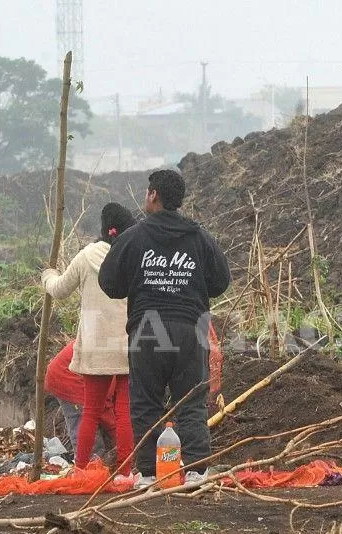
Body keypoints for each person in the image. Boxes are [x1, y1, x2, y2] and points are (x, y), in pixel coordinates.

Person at [99, 169, 231, 484]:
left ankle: (147, 475)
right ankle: (198, 471)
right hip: (189, 329)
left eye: (147, 191)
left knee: (146, 402)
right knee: (191, 400)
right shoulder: (200, 237)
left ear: (153, 194)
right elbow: (220, 282)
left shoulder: (133, 237)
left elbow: (110, 283)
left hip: (147, 331)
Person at [42, 203, 138, 473]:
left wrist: (48, 276)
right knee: (124, 413)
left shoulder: (86, 256)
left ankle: (82, 470)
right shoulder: (134, 257)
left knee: (91, 411)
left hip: (95, 348)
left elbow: (59, 290)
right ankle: (125, 472)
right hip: (127, 346)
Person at [44, 339, 118, 458]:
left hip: (75, 373)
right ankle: (89, 470)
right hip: (67, 377)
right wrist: (118, 436)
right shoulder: (115, 362)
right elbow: (104, 403)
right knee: (87, 429)